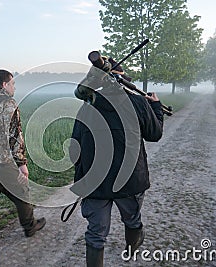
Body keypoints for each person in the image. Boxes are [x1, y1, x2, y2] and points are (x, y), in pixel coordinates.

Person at [70, 63, 164, 266]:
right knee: (132, 220)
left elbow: (73, 151)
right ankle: (131, 251)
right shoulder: (138, 103)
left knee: (96, 234)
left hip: (95, 184)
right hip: (130, 181)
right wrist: (155, 106)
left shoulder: (86, 108)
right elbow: (155, 134)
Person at [0, 69, 46, 246]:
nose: (14, 87)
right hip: (3, 162)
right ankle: (29, 227)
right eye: (13, 84)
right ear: (5, 84)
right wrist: (21, 163)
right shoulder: (9, 104)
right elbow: (15, 136)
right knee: (21, 192)